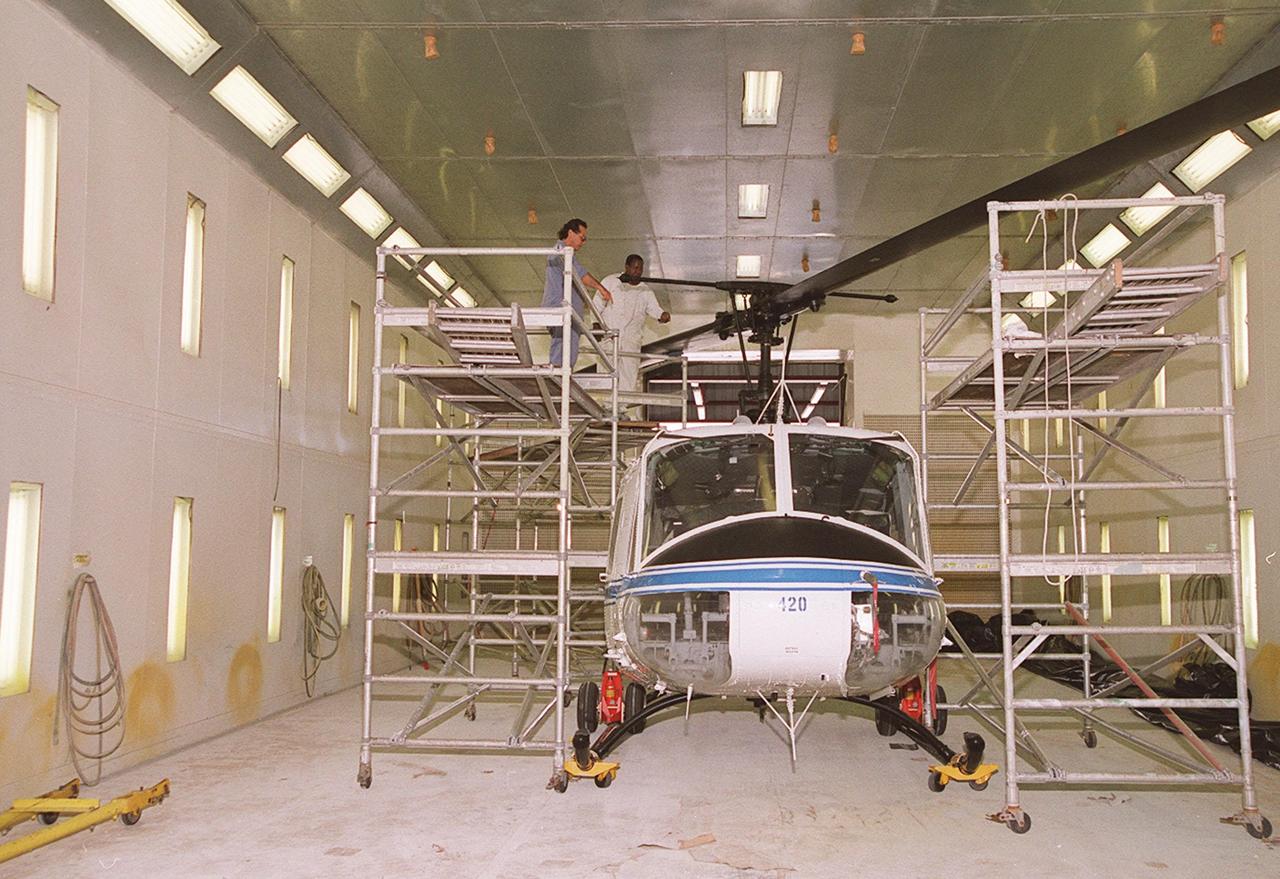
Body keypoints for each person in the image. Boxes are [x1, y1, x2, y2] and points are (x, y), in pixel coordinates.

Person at [593, 254, 670, 394]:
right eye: (635, 268)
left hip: (631, 340)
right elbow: (596, 305)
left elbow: (654, 309)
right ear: (626, 267)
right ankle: (606, 405)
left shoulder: (646, 291)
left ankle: (622, 407)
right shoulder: (610, 282)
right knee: (606, 369)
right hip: (609, 337)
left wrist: (662, 316)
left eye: (640, 269)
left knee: (629, 373)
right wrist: (596, 325)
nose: (638, 272)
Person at [540, 219, 612, 368]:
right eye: (582, 237)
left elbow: (576, 276)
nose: (583, 242)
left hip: (568, 311)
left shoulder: (567, 256)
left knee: (567, 345)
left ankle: (563, 373)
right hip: (560, 308)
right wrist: (600, 288)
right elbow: (581, 274)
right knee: (563, 344)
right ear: (571, 233)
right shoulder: (560, 252)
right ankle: (560, 373)